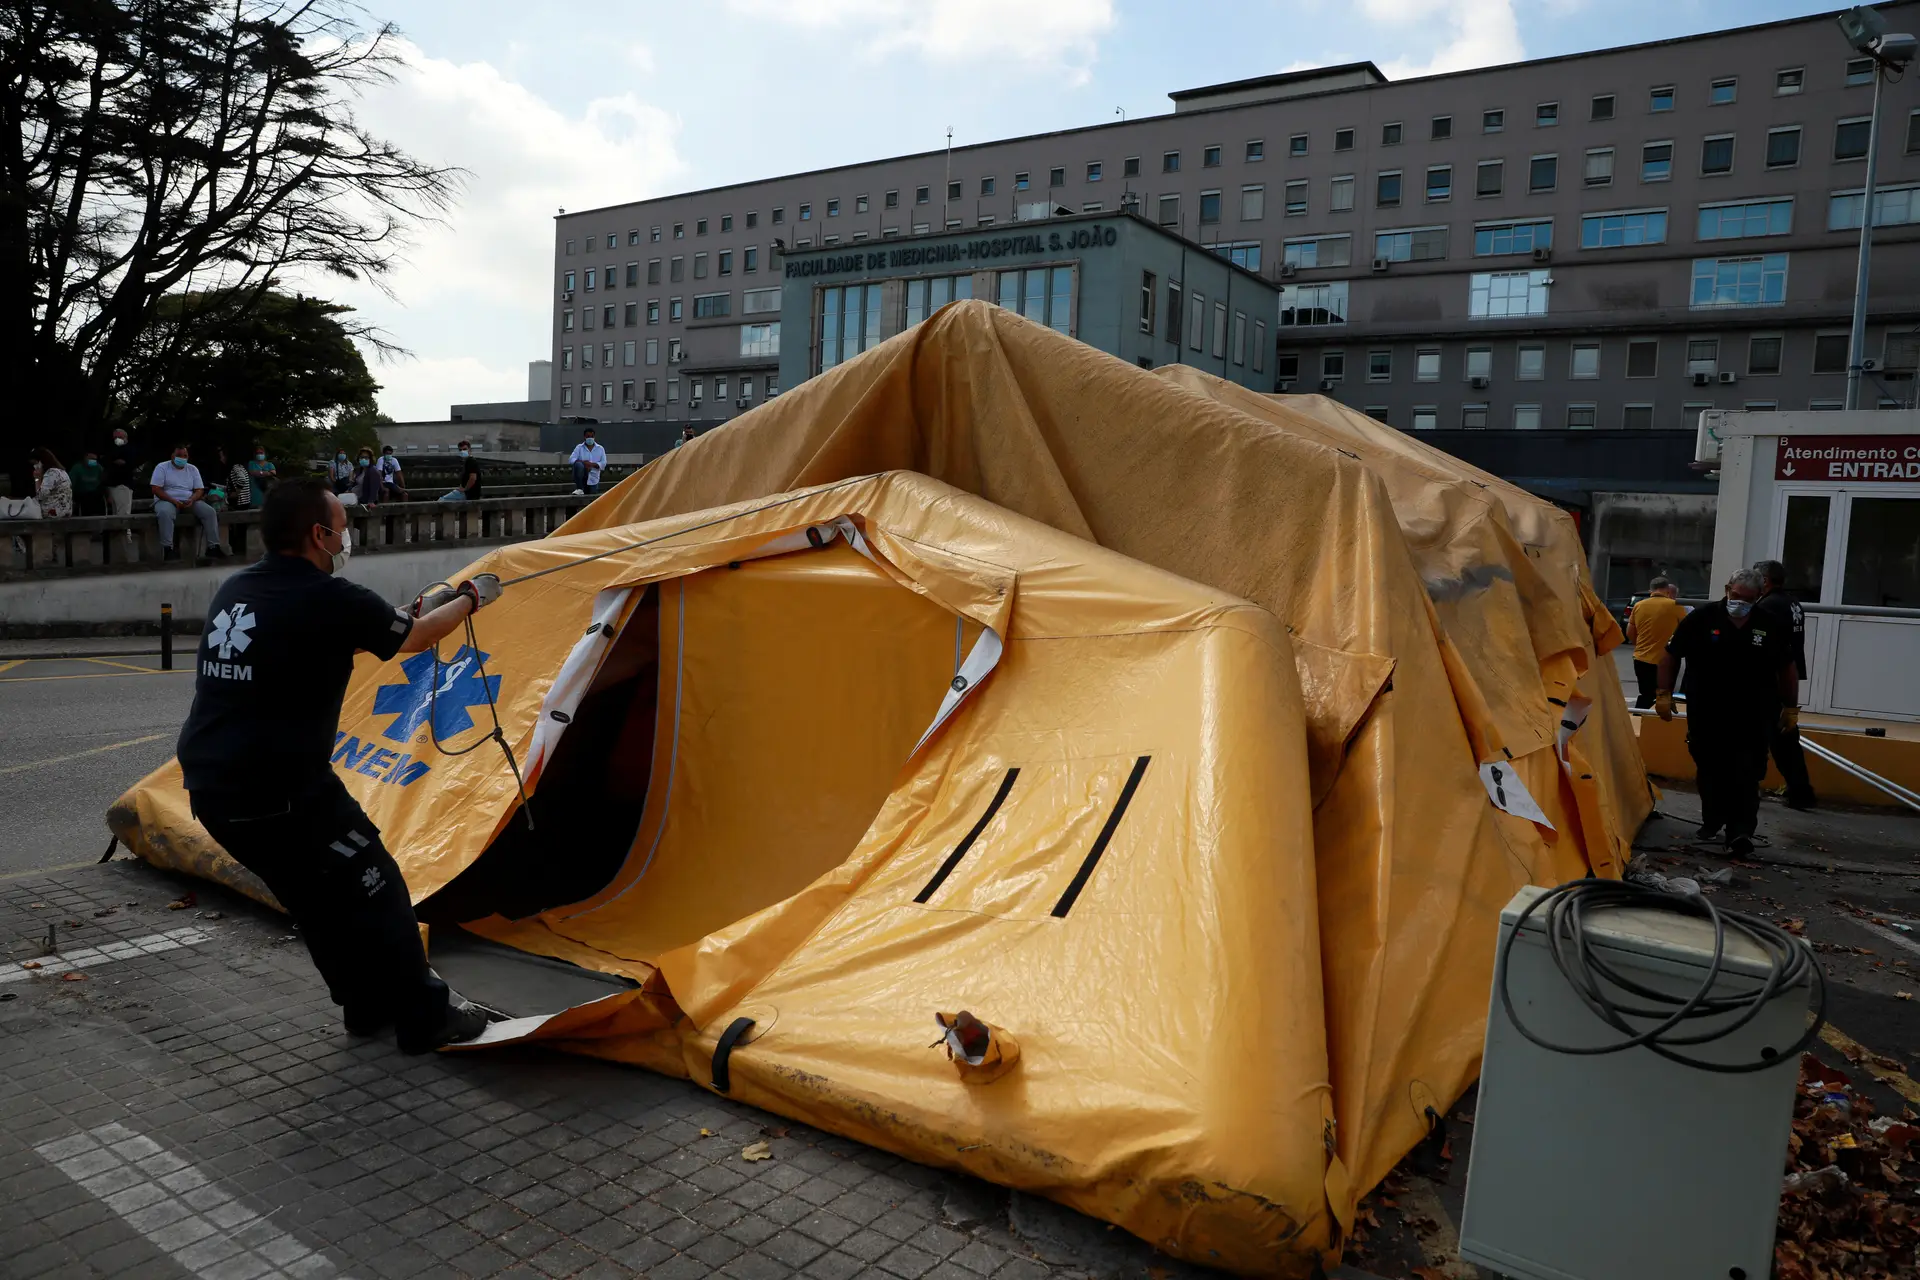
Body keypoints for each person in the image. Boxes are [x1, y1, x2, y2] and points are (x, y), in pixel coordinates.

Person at [177, 478, 502, 1054]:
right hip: (281, 790)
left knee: (318, 900)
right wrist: (472, 597)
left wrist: (402, 615)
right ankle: (425, 1016)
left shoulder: (239, 590)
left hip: (212, 791)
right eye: (342, 528)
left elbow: (332, 637)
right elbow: (419, 636)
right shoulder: (332, 597)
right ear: (318, 534)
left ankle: (365, 1003)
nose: (347, 537)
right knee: (376, 887)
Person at [1656, 568, 1797, 857]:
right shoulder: (1702, 618)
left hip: (1754, 713)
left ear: (1759, 597)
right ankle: (1713, 818)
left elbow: (1787, 668)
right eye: (1736, 595)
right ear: (1727, 589)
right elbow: (1671, 655)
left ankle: (1741, 832)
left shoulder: (1768, 624)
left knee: (1747, 773)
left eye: (1748, 598)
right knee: (1710, 769)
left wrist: (1791, 706)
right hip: (1707, 710)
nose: (1740, 602)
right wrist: (1663, 693)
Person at [1754, 559, 1817, 810]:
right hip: (1787, 679)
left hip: (1773, 680)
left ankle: (1796, 791)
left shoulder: (1768, 606)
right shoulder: (1791, 603)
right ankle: (1800, 790)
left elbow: (1768, 645)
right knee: (1785, 738)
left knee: (1769, 737)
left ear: (1765, 581)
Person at [149, 442, 227, 560]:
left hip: (189, 500)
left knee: (209, 512)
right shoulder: (162, 467)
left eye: (185, 456)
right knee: (165, 513)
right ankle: (168, 549)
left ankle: (213, 547)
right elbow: (156, 489)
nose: (182, 458)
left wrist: (192, 499)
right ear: (172, 456)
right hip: (166, 499)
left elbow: (199, 489)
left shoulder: (192, 469)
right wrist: (173, 500)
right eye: (179, 455)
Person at [1624, 577, 1687, 709]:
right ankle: (1660, 725)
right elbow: (1686, 630)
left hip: (1641, 658)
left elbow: (1630, 632)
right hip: (1668, 660)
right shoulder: (1675, 606)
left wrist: (1640, 645)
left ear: (1650, 590)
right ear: (1667, 590)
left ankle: (1639, 721)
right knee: (1664, 696)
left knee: (1645, 694)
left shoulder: (1638, 605)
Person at [105, 430, 139, 518]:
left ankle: (125, 531)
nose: (117, 439)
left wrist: (117, 462)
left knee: (123, 511)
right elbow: (108, 461)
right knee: (115, 511)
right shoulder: (113, 449)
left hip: (124, 484)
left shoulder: (130, 449)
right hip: (113, 485)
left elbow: (129, 464)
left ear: (125, 437)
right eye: (115, 437)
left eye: (119, 437)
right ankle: (117, 530)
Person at [32, 449, 73, 518]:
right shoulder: (62, 472)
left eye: (35, 463)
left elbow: (40, 496)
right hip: (65, 510)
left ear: (41, 462)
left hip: (53, 512)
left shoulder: (51, 473)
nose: (34, 466)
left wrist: (37, 478)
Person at [569, 427, 607, 495]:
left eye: (592, 436)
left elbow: (603, 463)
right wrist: (584, 464)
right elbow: (571, 459)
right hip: (582, 477)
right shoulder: (579, 447)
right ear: (584, 437)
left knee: (592, 498)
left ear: (594, 437)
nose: (590, 438)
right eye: (588, 436)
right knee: (578, 464)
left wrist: (591, 464)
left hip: (593, 478)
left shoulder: (600, 448)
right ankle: (579, 488)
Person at [71, 449, 106, 516]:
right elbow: (71, 484)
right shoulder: (77, 468)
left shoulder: (98, 467)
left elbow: (104, 481)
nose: (93, 461)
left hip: (95, 494)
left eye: (94, 459)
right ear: (85, 458)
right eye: (91, 459)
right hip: (81, 494)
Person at [215, 445, 250, 512]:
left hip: (240, 503)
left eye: (221, 456)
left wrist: (236, 492)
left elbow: (242, 479)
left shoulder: (236, 467)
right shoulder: (235, 467)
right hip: (241, 503)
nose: (220, 459)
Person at [245, 443, 278, 508]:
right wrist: (266, 473)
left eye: (261, 453)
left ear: (264, 454)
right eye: (258, 453)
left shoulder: (269, 464)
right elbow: (252, 472)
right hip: (254, 490)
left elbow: (273, 472)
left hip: (266, 488)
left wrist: (260, 473)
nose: (259, 454)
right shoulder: (251, 463)